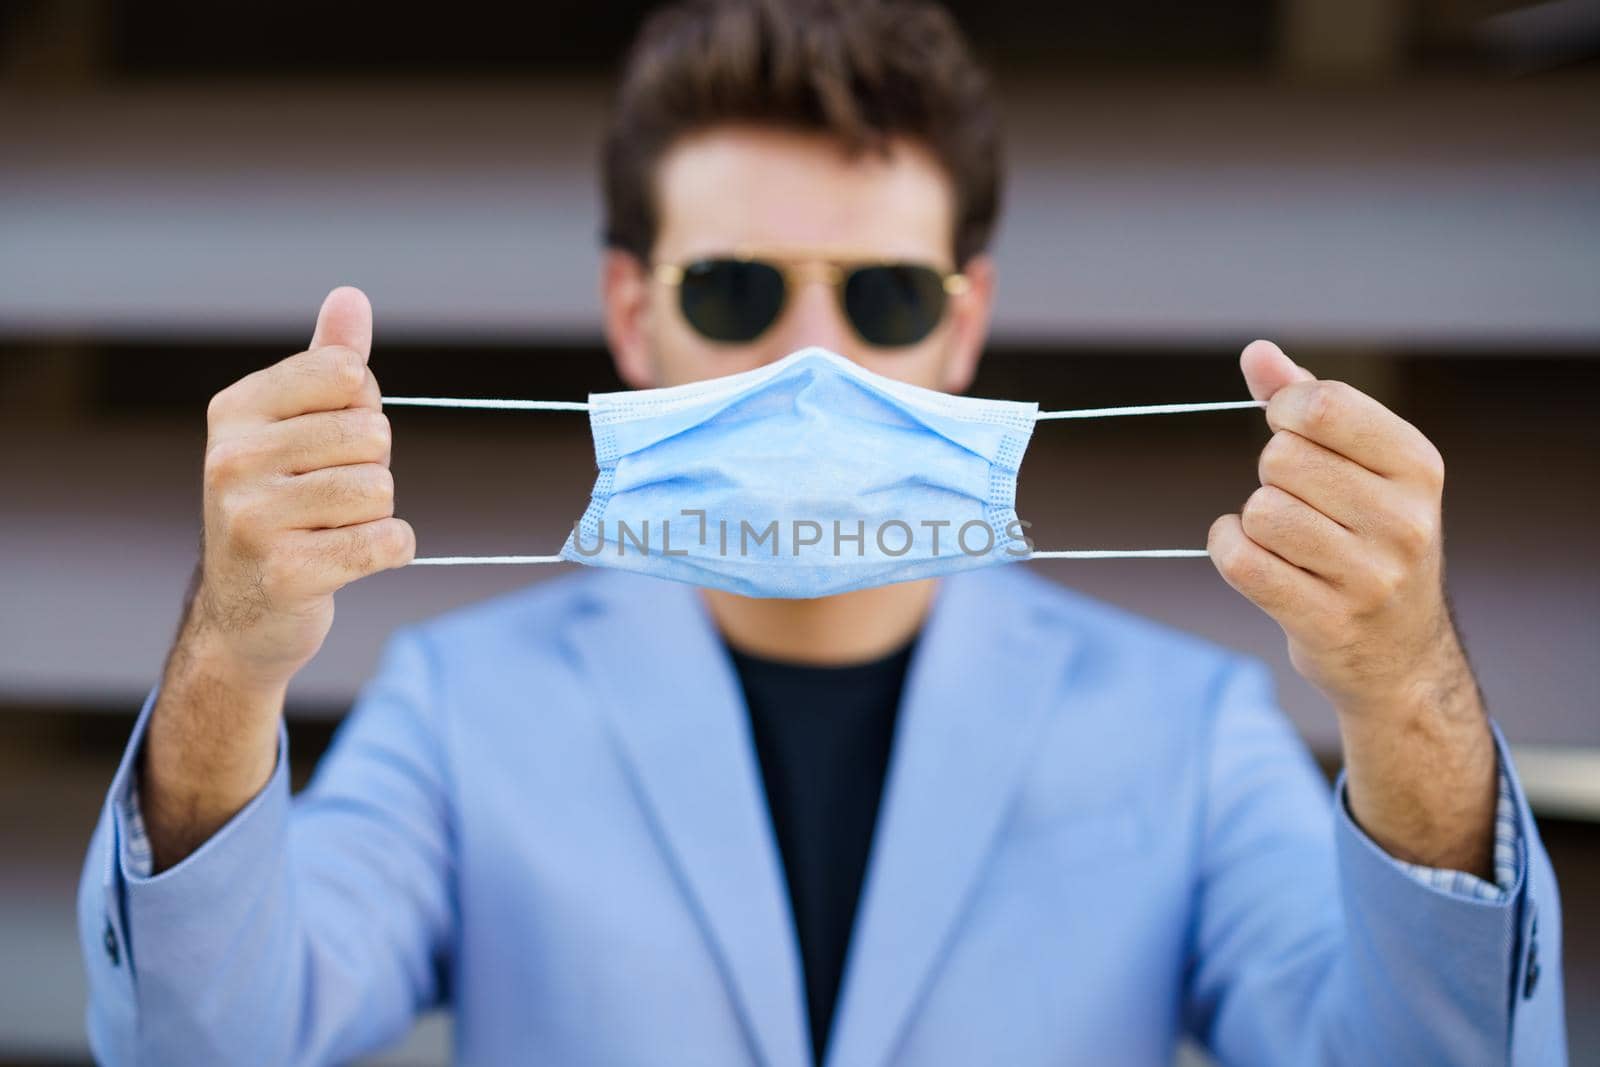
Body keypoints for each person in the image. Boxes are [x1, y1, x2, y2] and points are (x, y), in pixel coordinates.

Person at [77, 1, 1565, 1064]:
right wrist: (231, 657)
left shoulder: (1187, 727)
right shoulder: (464, 708)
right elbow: (205, 1041)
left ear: (964, 321)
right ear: (630, 312)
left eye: (883, 297)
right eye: (734, 288)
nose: (813, 360)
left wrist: (1402, 688)